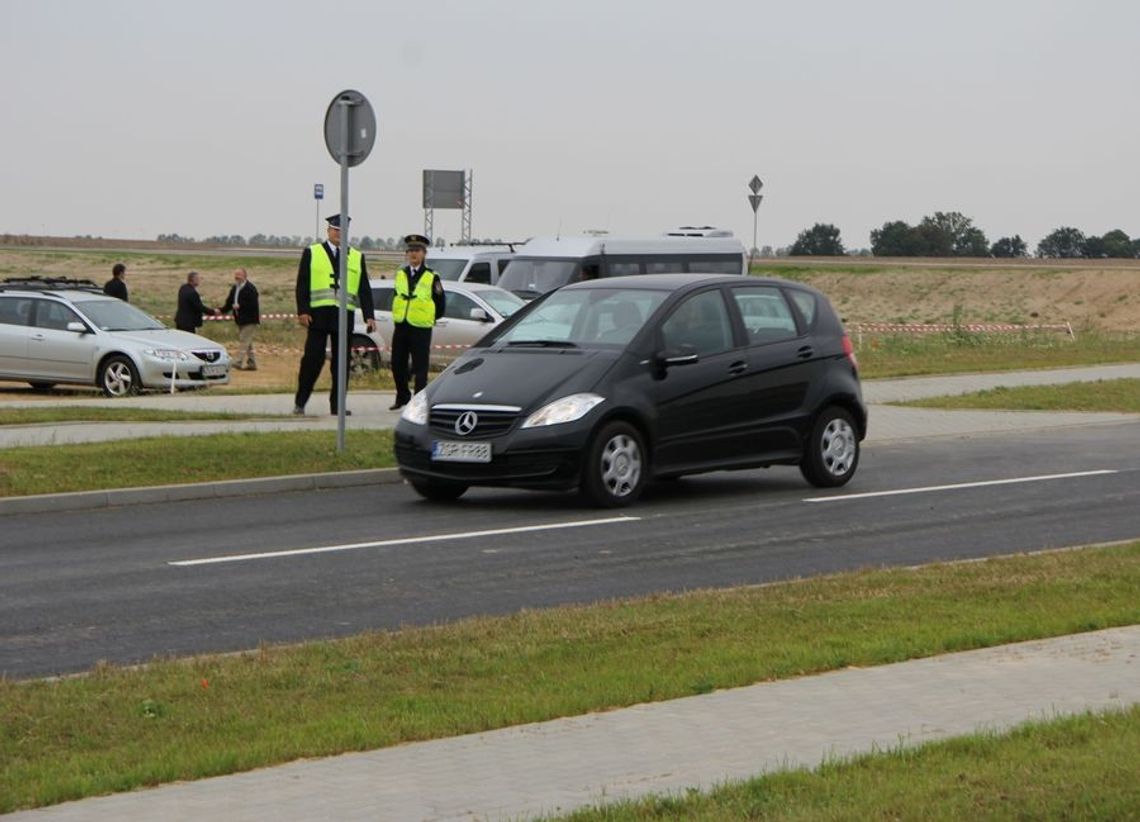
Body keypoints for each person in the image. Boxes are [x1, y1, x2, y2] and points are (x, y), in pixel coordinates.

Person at [293, 214, 376, 416]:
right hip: (318, 316)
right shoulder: (312, 252)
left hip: (343, 317)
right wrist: (303, 310)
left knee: (341, 364)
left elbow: (364, 288)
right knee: (313, 360)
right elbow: (302, 283)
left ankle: (337, 405)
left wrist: (369, 315)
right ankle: (300, 402)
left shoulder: (356, 256)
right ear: (328, 231)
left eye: (343, 231)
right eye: (336, 230)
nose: (339, 234)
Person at [389, 233, 445, 410]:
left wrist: (428, 317)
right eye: (411, 251)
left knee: (420, 367)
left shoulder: (431, 276)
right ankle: (402, 396)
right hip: (402, 325)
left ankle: (418, 401)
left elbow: (440, 303)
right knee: (397, 363)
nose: (413, 254)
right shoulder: (401, 274)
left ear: (424, 253)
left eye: (417, 251)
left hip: (421, 328)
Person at [218, 267, 260, 370]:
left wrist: (241, 306)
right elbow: (229, 302)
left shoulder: (251, 288)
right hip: (240, 319)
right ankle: (252, 363)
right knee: (247, 342)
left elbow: (253, 304)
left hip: (250, 319)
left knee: (244, 340)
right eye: (236, 275)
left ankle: (237, 362)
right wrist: (221, 310)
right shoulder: (235, 288)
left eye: (239, 275)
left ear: (245, 276)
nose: (237, 277)